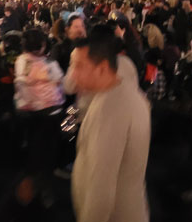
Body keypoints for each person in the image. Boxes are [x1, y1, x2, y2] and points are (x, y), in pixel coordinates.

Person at [70, 25, 150, 222]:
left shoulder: (110, 109)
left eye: (79, 66)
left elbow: (101, 189)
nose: (72, 74)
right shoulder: (120, 94)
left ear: (102, 68)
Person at [14, 28, 65, 202]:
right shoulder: (49, 62)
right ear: (43, 44)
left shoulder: (21, 61)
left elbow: (20, 85)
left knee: (34, 146)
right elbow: (61, 81)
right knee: (49, 148)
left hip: (30, 112)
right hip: (52, 109)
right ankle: (46, 186)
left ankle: (31, 181)